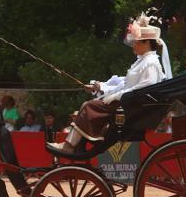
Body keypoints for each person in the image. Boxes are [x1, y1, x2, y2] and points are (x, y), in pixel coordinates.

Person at [48, 13, 172, 154]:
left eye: (136, 42)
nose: (133, 45)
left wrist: (117, 96)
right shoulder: (143, 61)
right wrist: (99, 87)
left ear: (146, 43)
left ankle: (70, 146)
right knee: (88, 106)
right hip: (127, 103)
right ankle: (76, 145)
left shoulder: (150, 63)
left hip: (130, 107)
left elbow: (144, 88)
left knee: (89, 106)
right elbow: (124, 83)